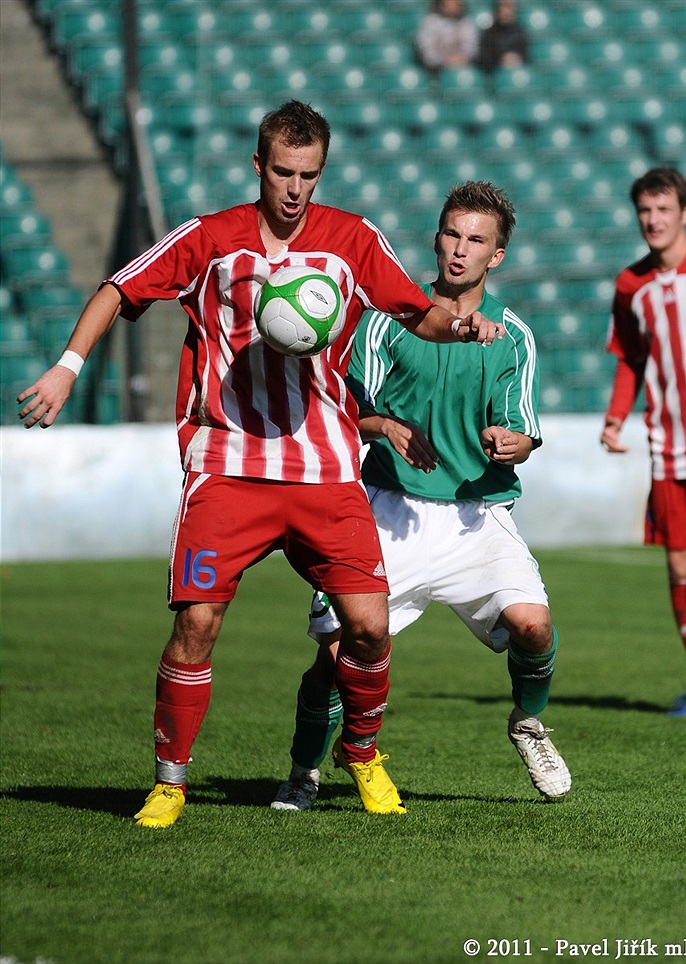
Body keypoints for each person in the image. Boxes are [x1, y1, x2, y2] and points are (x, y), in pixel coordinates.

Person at [17, 101, 505, 826]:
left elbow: (413, 311)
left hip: (326, 467)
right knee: (197, 624)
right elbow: (120, 288)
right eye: (282, 171)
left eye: (308, 174)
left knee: (368, 628)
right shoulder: (212, 239)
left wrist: (462, 326)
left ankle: (362, 753)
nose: (294, 188)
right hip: (229, 464)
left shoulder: (350, 238)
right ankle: (170, 782)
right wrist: (67, 367)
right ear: (258, 165)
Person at [270, 180, 572, 812]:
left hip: (475, 517)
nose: (459, 250)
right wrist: (385, 427)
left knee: (534, 627)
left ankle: (528, 723)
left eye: (476, 241)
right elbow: (336, 413)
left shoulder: (512, 336)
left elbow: (524, 431)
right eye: (452, 234)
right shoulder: (386, 319)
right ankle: (303, 770)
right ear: (436, 238)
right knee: (334, 656)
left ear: (498, 257)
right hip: (386, 508)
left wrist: (512, 444)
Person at [600, 166, 686, 718]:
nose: (653, 220)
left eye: (664, 209)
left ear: (685, 212)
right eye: (645, 210)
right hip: (671, 449)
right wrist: (616, 418)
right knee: (681, 570)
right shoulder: (630, 284)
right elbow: (630, 361)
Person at [415, 0, 479, 73]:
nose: (453, 3)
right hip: (435, 70)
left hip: (463, 67)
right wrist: (444, 61)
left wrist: (462, 58)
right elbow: (426, 52)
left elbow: (472, 48)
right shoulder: (429, 22)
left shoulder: (467, 22)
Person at [478, 0, 529, 76]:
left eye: (508, 7)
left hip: (517, 72)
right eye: (502, 6)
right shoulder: (489, 34)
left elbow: (527, 57)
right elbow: (484, 60)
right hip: (496, 74)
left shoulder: (521, 32)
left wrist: (516, 58)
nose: (505, 11)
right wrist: (500, 60)